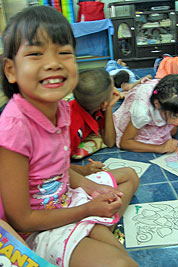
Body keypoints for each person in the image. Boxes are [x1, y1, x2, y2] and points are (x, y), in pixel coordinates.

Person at [0, 5, 139, 267]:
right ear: (11, 70)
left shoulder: (62, 108)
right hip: (37, 228)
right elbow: (21, 220)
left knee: (129, 177)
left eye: (64, 53)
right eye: (35, 54)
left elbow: (58, 169)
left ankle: (93, 228)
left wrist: (91, 188)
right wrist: (88, 210)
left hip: (66, 200)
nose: (53, 63)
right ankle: (92, 228)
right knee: (122, 263)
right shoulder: (14, 128)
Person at [113, 74, 178, 160]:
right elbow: (125, 142)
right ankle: (131, 88)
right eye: (174, 117)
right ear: (157, 105)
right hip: (141, 99)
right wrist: (160, 148)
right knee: (171, 131)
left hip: (157, 96)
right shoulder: (142, 111)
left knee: (173, 131)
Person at [69, 68, 120, 159]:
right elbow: (57, 162)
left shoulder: (97, 109)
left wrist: (108, 108)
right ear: (103, 104)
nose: (116, 91)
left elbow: (110, 142)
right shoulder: (73, 130)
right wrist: (84, 169)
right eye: (113, 89)